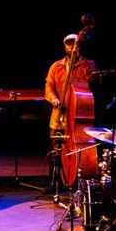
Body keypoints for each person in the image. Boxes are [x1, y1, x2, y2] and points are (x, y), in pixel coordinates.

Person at [43, 33, 97, 192]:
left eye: (75, 43)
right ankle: (54, 182)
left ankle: (76, 182)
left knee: (78, 150)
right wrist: (54, 100)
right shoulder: (56, 66)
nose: (72, 46)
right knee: (56, 151)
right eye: (68, 43)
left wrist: (81, 59)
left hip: (78, 115)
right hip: (59, 114)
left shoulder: (88, 64)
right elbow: (49, 86)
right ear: (64, 46)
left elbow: (92, 79)